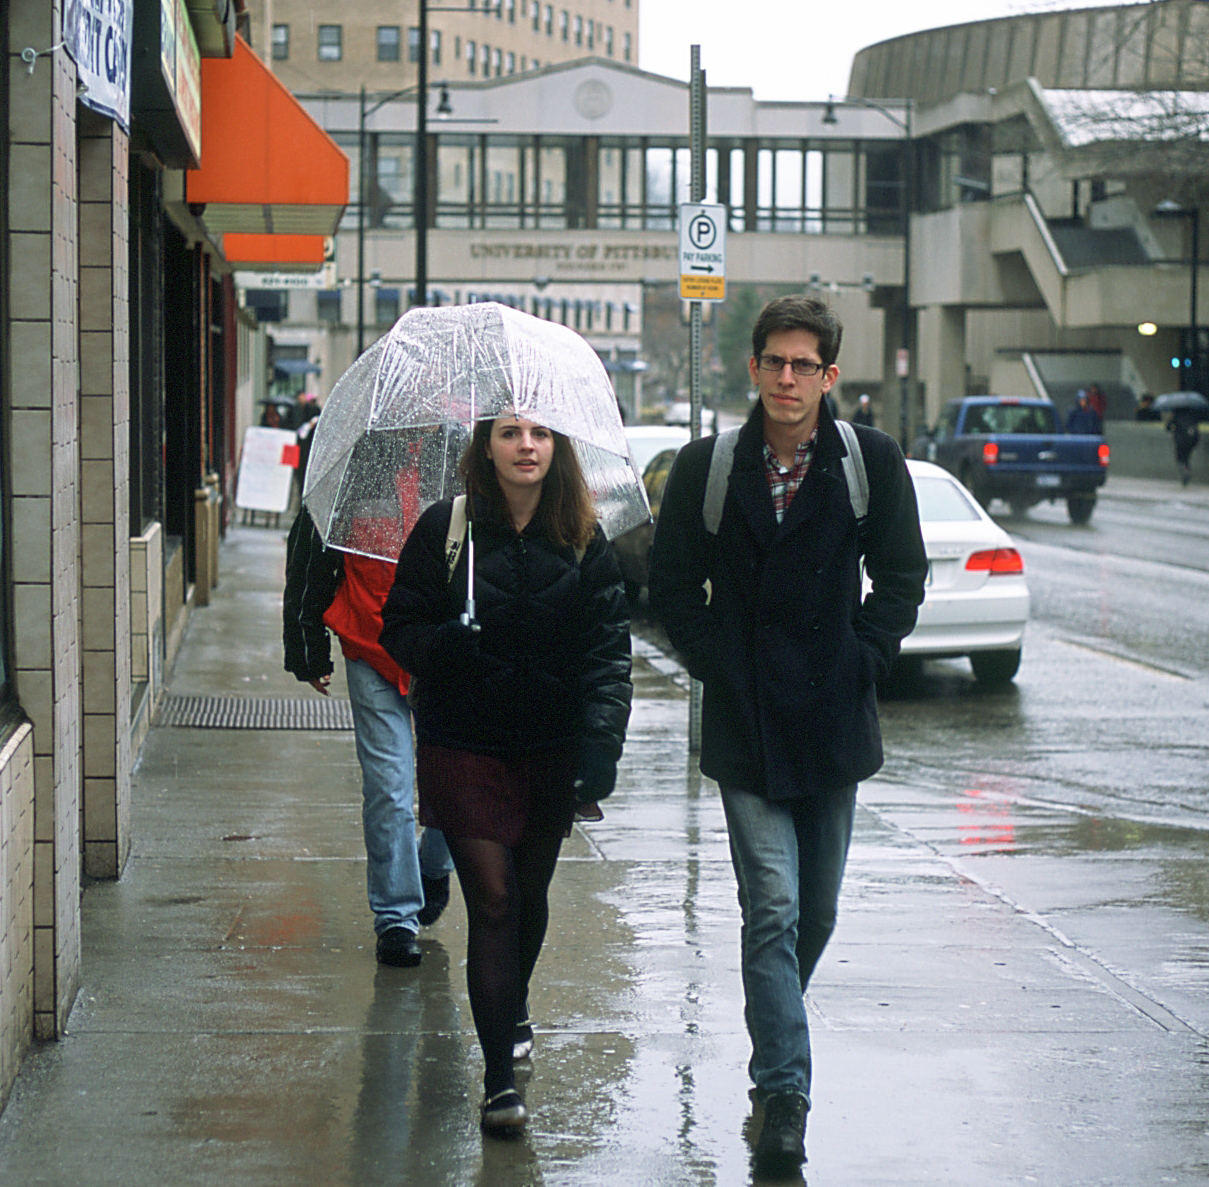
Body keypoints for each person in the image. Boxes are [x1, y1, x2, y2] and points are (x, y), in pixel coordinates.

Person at [648, 295, 927, 1178]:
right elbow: (670, 588)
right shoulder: (710, 467)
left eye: (805, 365)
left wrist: (866, 658)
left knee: (815, 913)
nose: (787, 378)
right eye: (774, 361)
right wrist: (720, 667)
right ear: (755, 367)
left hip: (834, 722)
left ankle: (774, 1028)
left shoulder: (866, 462)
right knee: (770, 906)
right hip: (748, 724)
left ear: (829, 376)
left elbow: (903, 575)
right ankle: (786, 1096)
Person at [381, 414, 632, 1137]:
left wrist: (601, 748)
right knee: (490, 900)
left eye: (541, 434)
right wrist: (441, 649)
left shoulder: (584, 538)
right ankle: (497, 1082)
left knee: (527, 893)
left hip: (550, 750)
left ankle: (512, 1000)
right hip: (463, 744)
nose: (527, 446)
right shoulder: (446, 529)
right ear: (485, 447)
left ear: (559, 451)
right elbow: (400, 625)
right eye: (511, 433)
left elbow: (609, 653)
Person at [283, 508, 454, 969]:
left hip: (442, 649)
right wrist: (307, 644)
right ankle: (397, 917)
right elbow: (310, 556)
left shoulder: (462, 466)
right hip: (369, 643)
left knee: (451, 776)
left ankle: (434, 864)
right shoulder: (356, 469)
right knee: (388, 785)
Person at [1169, 408, 1202, 485]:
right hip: (1192, 439)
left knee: (1179, 459)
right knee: (1187, 457)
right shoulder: (1192, 415)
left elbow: (1168, 427)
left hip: (1181, 440)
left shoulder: (1176, 417)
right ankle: (1187, 470)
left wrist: (1170, 420)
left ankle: (1184, 473)